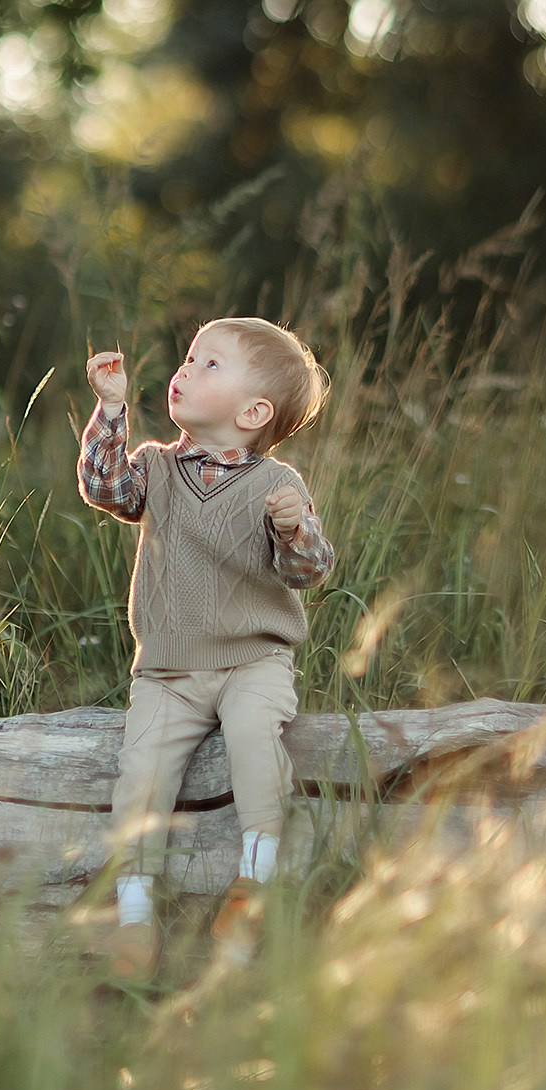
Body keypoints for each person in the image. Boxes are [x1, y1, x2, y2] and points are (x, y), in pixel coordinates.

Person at [78, 317, 333, 979]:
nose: (185, 370)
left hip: (254, 659)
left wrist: (294, 529)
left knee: (255, 741)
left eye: (209, 364)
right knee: (142, 774)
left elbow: (307, 571)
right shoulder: (156, 468)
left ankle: (254, 883)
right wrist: (111, 410)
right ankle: (134, 919)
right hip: (167, 670)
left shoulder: (277, 486)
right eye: (190, 357)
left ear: (253, 412)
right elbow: (104, 490)